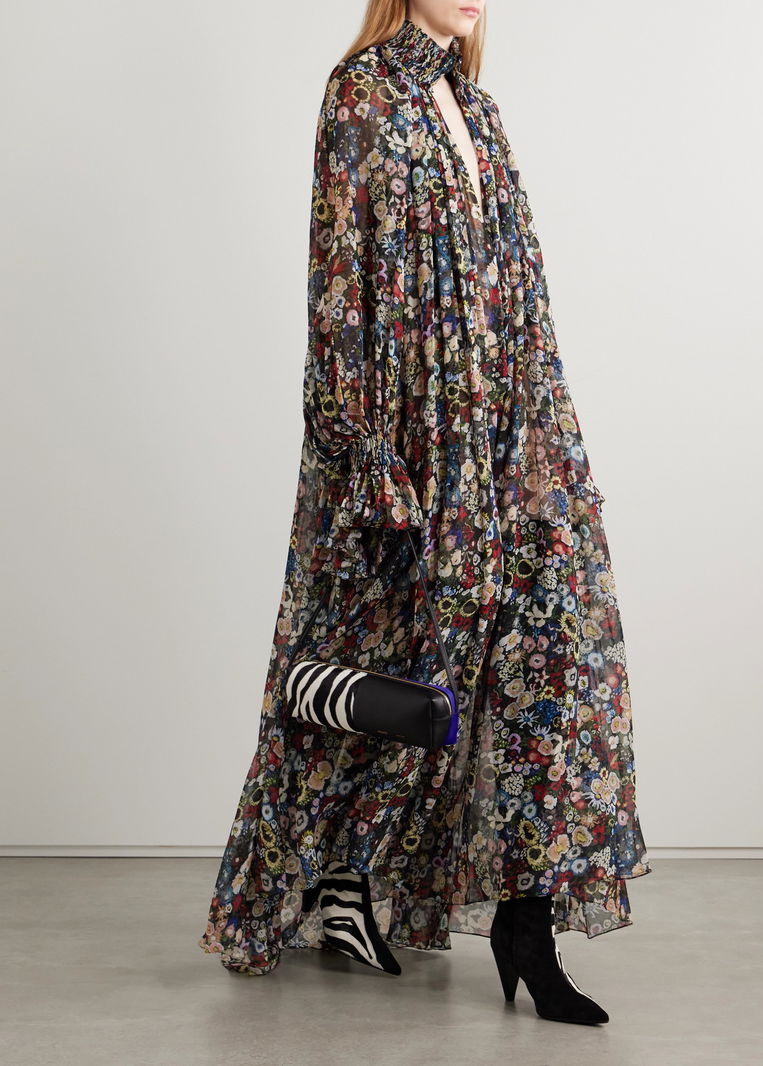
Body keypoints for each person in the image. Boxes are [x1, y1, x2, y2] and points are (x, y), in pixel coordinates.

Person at [199, 0, 652, 1026]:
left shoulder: (476, 108)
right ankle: (325, 883)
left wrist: (546, 440)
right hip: (412, 435)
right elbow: (338, 290)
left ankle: (525, 923)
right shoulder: (360, 96)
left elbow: (519, 289)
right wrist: (365, 460)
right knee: (385, 671)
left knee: (554, 656)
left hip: (511, 434)